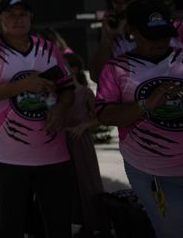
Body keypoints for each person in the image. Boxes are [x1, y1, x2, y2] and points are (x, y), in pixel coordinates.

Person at [0, 0, 75, 238]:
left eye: (23, 14)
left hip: (54, 156)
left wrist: (61, 110)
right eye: (11, 14)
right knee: (10, 225)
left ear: (31, 17)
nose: (18, 19)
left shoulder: (49, 49)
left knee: (58, 224)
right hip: (11, 158)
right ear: (0, 19)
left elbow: (68, 89)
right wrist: (23, 85)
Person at [95, 0, 183, 238]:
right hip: (153, 172)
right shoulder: (116, 69)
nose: (160, 41)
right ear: (131, 32)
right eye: (152, 35)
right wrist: (145, 105)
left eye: (164, 34)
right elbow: (105, 115)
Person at [90, 0, 183, 82]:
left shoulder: (179, 30)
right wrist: (106, 39)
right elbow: (98, 78)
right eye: (116, 2)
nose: (122, 7)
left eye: (128, 0)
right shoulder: (115, 40)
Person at [63, 51, 110, 238]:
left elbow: (102, 117)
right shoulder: (55, 94)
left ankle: (94, 224)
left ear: (74, 69)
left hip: (80, 143)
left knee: (87, 182)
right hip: (59, 145)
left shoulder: (85, 92)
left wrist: (83, 126)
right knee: (66, 185)